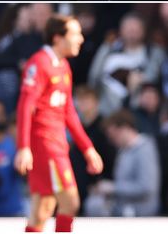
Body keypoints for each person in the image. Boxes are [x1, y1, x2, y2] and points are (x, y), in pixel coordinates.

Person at [14, 14, 104, 232]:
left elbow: (68, 111)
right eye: (75, 34)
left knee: (43, 208)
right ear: (57, 38)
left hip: (57, 142)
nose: (81, 39)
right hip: (45, 143)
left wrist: (87, 148)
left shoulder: (63, 66)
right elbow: (26, 105)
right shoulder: (39, 63)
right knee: (70, 202)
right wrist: (24, 147)